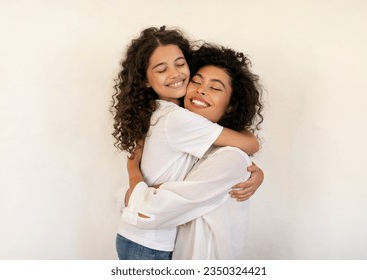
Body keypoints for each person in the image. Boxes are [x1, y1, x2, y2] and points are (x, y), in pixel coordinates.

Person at [111, 26, 261, 260]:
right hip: (148, 242)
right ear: (145, 81)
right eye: (161, 69)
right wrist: (138, 183)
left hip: (145, 239)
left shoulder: (168, 117)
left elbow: (239, 152)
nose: (175, 74)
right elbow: (250, 144)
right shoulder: (178, 119)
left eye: (180, 64)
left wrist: (135, 178)